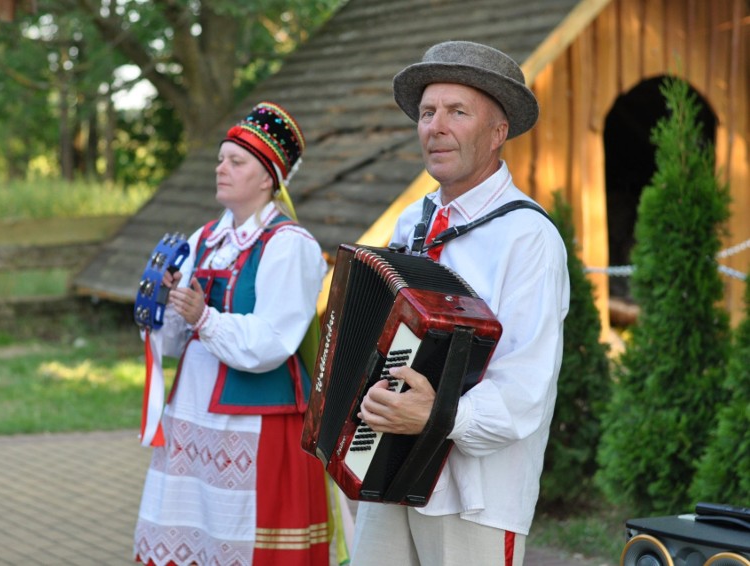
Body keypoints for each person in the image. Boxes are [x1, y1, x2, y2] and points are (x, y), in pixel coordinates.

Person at [351, 41, 570, 566]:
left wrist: (436, 415)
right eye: (427, 112)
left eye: (457, 111)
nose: (435, 126)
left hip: (475, 499)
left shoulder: (528, 237)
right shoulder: (412, 222)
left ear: (498, 134)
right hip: (388, 471)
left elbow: (525, 391)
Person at [133, 101, 331, 566]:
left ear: (267, 178)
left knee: (243, 541)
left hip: (255, 424)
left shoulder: (290, 245)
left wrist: (204, 317)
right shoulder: (204, 238)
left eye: (235, 161)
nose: (221, 168)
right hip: (191, 415)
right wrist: (167, 311)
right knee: (190, 538)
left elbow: (271, 342)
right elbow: (177, 343)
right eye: (220, 159)